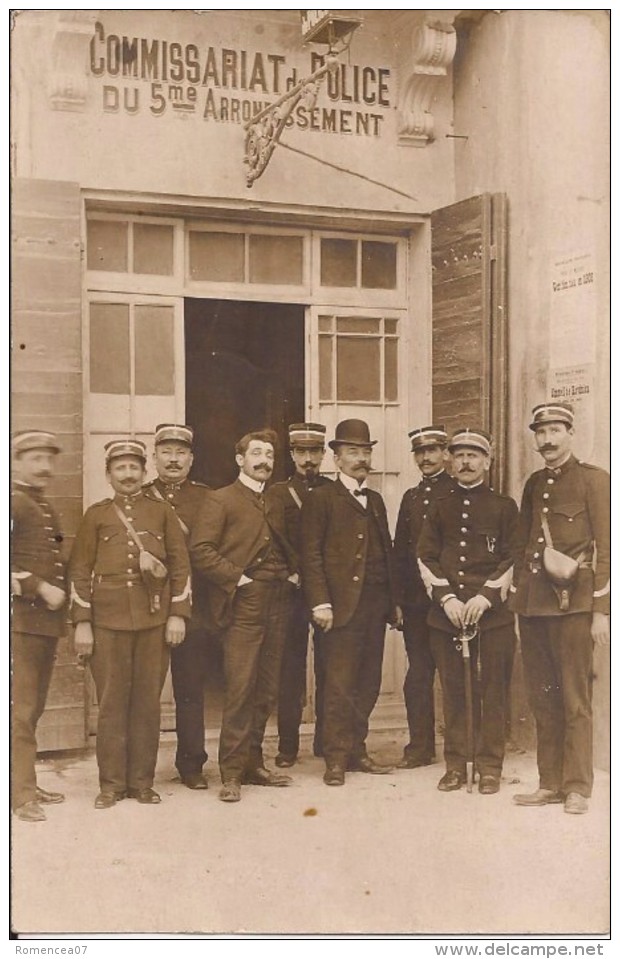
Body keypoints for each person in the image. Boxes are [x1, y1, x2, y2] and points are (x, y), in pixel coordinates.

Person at [69, 439, 192, 809]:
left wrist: (177, 614)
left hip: (154, 622)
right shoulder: (96, 515)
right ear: (109, 475)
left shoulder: (162, 512)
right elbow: (79, 570)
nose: (127, 474)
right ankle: (110, 785)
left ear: (143, 472)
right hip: (107, 623)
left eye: (134, 467)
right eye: (120, 468)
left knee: (146, 705)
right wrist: (82, 623)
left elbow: (181, 566)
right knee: (111, 704)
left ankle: (141, 782)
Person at [510, 403, 610, 815]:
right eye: (541, 432)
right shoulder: (534, 484)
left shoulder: (595, 481)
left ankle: (577, 787)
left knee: (574, 699)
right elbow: (523, 545)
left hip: (575, 608)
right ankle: (549, 782)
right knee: (543, 698)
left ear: (571, 432)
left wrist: (602, 610)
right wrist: (520, 603)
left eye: (555, 430)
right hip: (535, 608)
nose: (547, 440)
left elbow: (608, 548)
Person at [189, 429, 297, 802]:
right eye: (256, 453)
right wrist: (240, 578)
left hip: (279, 599)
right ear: (240, 459)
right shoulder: (220, 500)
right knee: (240, 688)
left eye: (269, 454)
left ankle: (253, 763)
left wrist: (292, 572)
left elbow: (287, 544)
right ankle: (231, 774)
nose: (264, 459)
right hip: (244, 603)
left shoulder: (277, 500)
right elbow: (201, 550)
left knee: (266, 688)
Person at [301, 419, 401, 787]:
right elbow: (310, 555)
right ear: (337, 458)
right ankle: (336, 758)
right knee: (339, 685)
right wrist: (320, 603)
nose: (361, 459)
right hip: (338, 608)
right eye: (353, 452)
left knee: (368, 682)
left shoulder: (374, 500)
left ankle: (357, 749)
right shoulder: (320, 498)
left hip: (374, 606)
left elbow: (386, 552)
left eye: (366, 452)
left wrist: (394, 602)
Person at [417, 428, 518, 795]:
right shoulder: (439, 507)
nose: (465, 462)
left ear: (487, 463)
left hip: (493, 618)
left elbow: (513, 556)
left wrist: (486, 596)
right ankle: (456, 765)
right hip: (448, 617)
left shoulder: (504, 507)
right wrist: (447, 599)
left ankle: (489, 767)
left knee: (492, 692)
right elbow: (425, 556)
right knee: (454, 692)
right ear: (449, 461)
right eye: (458, 455)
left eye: (473, 455)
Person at [144, 423, 212, 790]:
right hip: (147, 608)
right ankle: (139, 769)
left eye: (181, 453)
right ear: (154, 457)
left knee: (190, 689)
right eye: (166, 452)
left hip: (192, 608)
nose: (173, 459)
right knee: (144, 691)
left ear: (191, 459)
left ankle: (192, 764)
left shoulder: (206, 499)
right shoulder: (140, 497)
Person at [264, 423, 331, 768]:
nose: (308, 459)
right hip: (289, 592)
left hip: (325, 593)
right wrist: (286, 573)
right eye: (301, 452)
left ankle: (324, 741)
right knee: (289, 669)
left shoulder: (334, 491)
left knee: (329, 666)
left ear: (323, 455)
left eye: (314, 452)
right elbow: (269, 538)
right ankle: (288, 745)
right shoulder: (277, 493)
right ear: (291, 455)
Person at [11, 431, 67, 822]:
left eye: (48, 459)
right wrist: (38, 586)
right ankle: (20, 794)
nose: (44, 467)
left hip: (41, 624)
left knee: (33, 709)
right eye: (35, 459)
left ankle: (22, 780)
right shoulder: (12, 501)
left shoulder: (38, 503)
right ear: (15, 462)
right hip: (18, 624)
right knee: (19, 710)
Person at [393, 425, 454, 770]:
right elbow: (401, 551)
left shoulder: (458, 493)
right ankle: (420, 746)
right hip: (417, 604)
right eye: (420, 452)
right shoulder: (411, 499)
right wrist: (399, 600)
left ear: (445, 454)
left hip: (450, 602)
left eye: (433, 451)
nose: (426, 458)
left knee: (453, 674)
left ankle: (462, 745)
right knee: (418, 675)